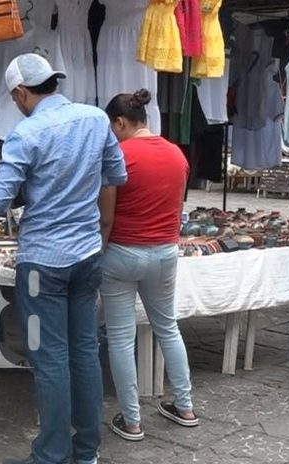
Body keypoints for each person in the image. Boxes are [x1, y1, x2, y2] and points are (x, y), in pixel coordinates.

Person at [0, 53, 127, 464]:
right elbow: (116, 175)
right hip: (86, 253)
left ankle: (50, 455)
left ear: (20, 92)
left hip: (43, 260)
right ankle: (86, 453)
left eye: (14, 98)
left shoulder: (25, 134)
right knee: (83, 352)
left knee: (49, 360)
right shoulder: (96, 119)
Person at [98, 89, 199, 442]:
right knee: (167, 328)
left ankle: (132, 420)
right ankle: (184, 406)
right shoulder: (177, 155)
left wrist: (100, 251)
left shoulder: (118, 155)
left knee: (122, 340)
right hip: (164, 252)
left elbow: (106, 219)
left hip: (123, 253)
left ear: (120, 122)